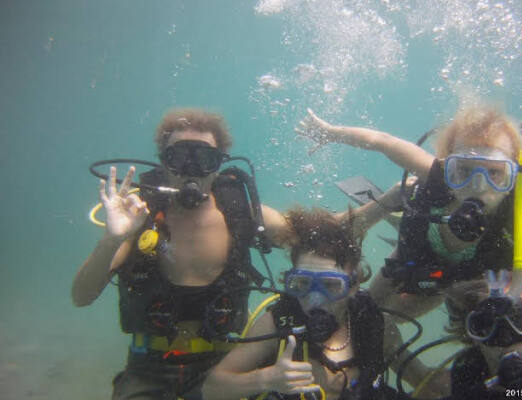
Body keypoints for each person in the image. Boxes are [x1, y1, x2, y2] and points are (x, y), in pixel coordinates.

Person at [71, 108, 402, 400]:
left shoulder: (242, 212)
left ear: (219, 165)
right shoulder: (140, 216)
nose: (190, 170)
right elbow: (82, 296)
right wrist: (112, 240)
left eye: (203, 159)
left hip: (225, 362)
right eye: (179, 157)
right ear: (163, 163)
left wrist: (391, 199)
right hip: (148, 369)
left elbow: (325, 232)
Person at [295, 105, 522, 321]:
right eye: (464, 170)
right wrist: (331, 133)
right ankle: (395, 199)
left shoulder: (515, 218)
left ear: (514, 177)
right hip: (414, 252)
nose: (477, 186)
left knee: (393, 319)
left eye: (495, 173)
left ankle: (399, 202)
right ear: (447, 166)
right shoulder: (437, 176)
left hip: (451, 283)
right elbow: (384, 142)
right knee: (364, 311)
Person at [203, 207, 436, 400]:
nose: (315, 299)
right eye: (302, 284)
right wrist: (267, 378)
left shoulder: (375, 325)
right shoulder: (278, 324)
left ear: (353, 285)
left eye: (331, 286)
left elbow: (424, 382)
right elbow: (212, 388)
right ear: (289, 281)